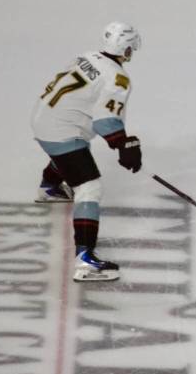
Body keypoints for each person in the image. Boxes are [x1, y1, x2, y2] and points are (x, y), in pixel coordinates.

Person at [30, 22, 143, 282]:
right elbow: (104, 121)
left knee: (76, 147)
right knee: (89, 187)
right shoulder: (118, 79)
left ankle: (50, 187)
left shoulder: (87, 56)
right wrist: (122, 144)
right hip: (61, 132)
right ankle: (86, 260)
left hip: (42, 118)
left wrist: (120, 142)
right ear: (126, 49)